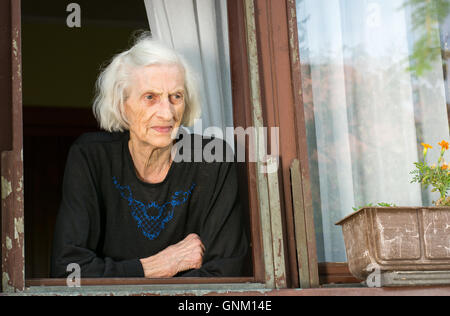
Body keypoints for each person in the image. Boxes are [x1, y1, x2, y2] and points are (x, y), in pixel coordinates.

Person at [50, 35, 248, 278]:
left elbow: (225, 274)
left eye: (176, 96)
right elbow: (69, 271)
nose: (166, 113)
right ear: (123, 105)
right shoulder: (92, 158)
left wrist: (117, 275)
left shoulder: (212, 160)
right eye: (150, 97)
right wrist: (158, 266)